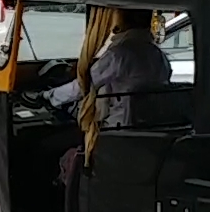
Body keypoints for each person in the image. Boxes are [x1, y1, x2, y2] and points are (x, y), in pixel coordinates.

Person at [44, 8, 172, 128]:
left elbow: (83, 86)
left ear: (121, 19)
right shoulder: (159, 56)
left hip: (117, 128)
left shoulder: (119, 55)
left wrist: (48, 95)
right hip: (151, 127)